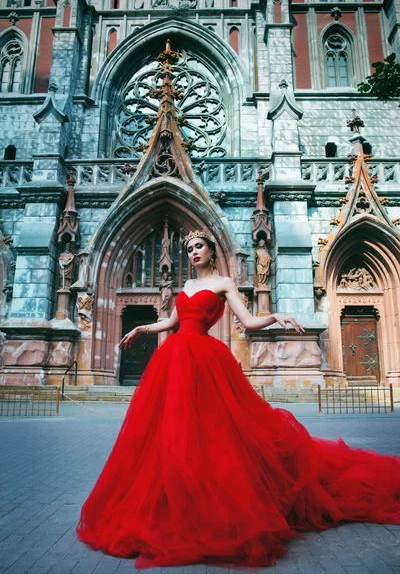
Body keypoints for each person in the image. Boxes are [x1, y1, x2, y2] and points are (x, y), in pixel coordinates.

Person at [76, 230, 400, 569]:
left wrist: (274, 316)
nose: (192, 252)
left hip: (205, 361)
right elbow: (171, 322)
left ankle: (215, 504)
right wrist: (141, 329)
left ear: (212, 251)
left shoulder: (224, 283)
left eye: (198, 246)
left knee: (216, 433)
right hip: (176, 360)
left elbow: (246, 322)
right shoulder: (185, 289)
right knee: (175, 434)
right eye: (188, 248)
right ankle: (178, 503)